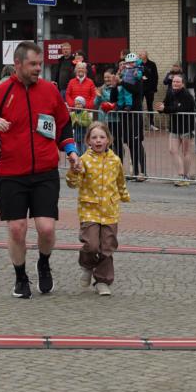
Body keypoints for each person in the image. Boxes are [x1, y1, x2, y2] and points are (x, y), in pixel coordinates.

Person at [0, 41, 80, 298]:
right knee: (17, 228)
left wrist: (71, 151)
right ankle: (20, 276)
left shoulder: (50, 91)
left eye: (40, 64)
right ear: (18, 64)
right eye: (33, 64)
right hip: (10, 174)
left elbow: (63, 126)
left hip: (45, 172)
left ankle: (44, 262)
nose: (38, 69)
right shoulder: (0, 92)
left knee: (47, 228)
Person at [66, 121, 130, 296]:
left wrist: (123, 196)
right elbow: (73, 184)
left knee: (107, 246)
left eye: (102, 137)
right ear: (88, 140)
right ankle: (87, 266)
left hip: (110, 210)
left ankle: (102, 280)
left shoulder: (115, 160)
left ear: (108, 139)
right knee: (92, 245)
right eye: (94, 137)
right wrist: (73, 169)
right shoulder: (84, 160)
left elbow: (120, 181)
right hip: (89, 210)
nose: (98, 140)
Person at [157, 73, 196, 185]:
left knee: (186, 152)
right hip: (174, 127)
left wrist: (166, 109)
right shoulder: (170, 92)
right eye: (174, 81)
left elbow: (179, 108)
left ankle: (186, 176)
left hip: (187, 127)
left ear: (183, 84)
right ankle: (180, 175)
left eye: (178, 82)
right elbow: (166, 105)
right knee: (172, 150)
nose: (175, 83)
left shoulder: (187, 95)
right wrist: (161, 108)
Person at [119, 53, 147, 181]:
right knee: (129, 143)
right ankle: (134, 171)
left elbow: (136, 90)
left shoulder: (138, 77)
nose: (129, 66)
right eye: (127, 63)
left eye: (131, 63)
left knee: (137, 143)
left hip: (135, 112)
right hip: (126, 113)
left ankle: (143, 172)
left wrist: (122, 83)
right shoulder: (124, 75)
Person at [97, 70, 125, 162]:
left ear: (113, 77)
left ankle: (120, 163)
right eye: (105, 77)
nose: (107, 79)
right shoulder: (101, 88)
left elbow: (112, 99)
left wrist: (102, 95)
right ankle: (108, 163)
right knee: (106, 143)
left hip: (115, 120)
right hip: (104, 120)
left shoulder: (118, 87)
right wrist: (98, 96)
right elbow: (95, 103)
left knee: (117, 143)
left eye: (108, 77)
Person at [138, 50, 159, 130]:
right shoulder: (138, 64)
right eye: (139, 54)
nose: (140, 55)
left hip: (150, 89)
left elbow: (155, 77)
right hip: (140, 88)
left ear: (146, 55)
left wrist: (154, 88)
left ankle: (151, 124)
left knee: (150, 106)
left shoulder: (152, 64)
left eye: (141, 54)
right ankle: (139, 124)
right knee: (139, 105)